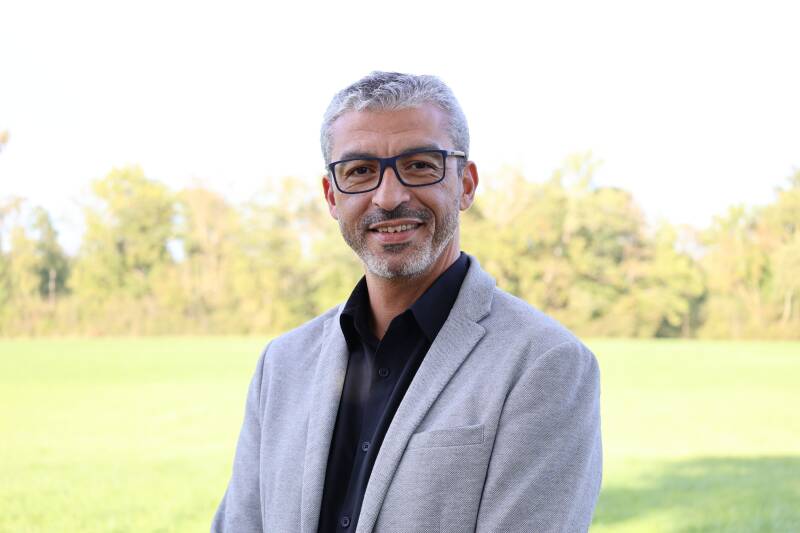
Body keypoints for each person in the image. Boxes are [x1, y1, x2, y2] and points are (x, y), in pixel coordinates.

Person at [212, 71, 602, 533]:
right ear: (331, 196)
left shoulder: (545, 364)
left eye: (419, 165)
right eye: (360, 171)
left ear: (466, 184)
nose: (389, 197)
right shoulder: (281, 364)